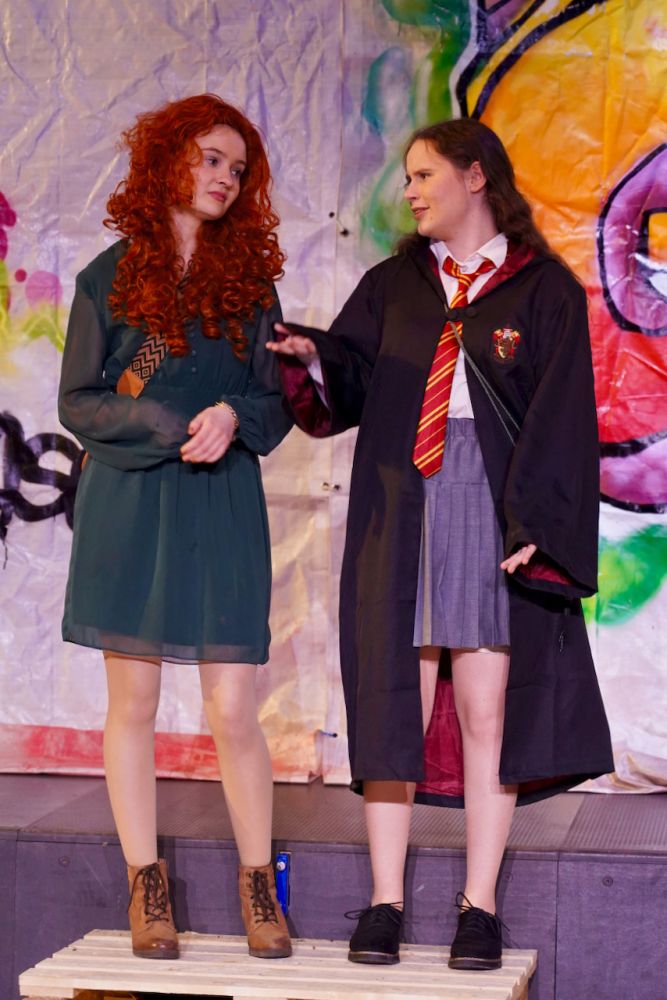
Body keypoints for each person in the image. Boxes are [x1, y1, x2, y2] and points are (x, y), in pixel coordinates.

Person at [268, 117, 613, 970]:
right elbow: (347, 377)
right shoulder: (395, 285)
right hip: (399, 501)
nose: (411, 191)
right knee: (395, 704)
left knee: (487, 710)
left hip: (491, 505)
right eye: (408, 178)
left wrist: (537, 527)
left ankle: (478, 907)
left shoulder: (542, 291)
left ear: (474, 175)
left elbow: (561, 420)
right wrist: (311, 356)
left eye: (424, 174)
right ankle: (383, 902)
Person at [59, 94, 293, 961]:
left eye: (238, 167)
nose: (224, 177)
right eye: (209, 158)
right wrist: (162, 422)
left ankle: (258, 884)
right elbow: (78, 402)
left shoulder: (250, 286)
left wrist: (234, 415)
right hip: (129, 498)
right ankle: (145, 886)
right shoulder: (109, 276)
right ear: (168, 160)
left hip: (221, 499)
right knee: (134, 702)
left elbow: (277, 400)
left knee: (232, 705)